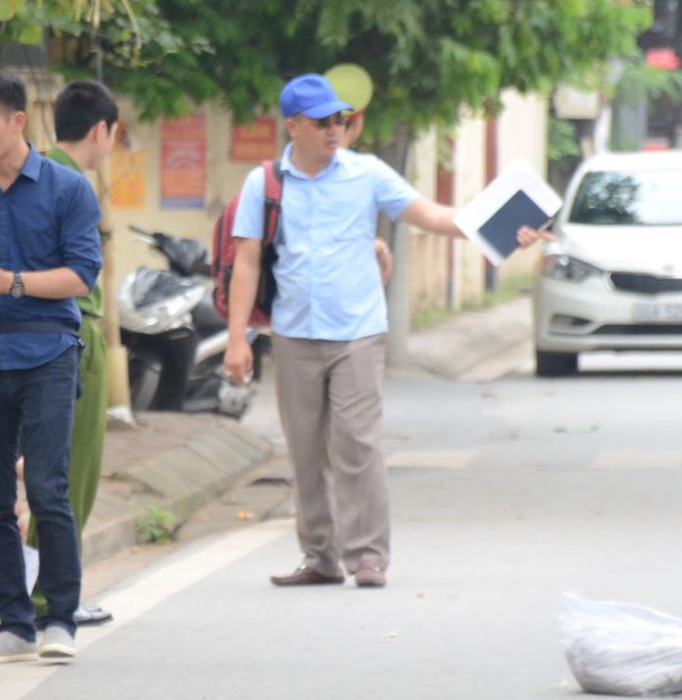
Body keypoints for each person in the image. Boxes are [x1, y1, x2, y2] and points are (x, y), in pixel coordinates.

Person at [221, 73, 543, 589]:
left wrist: (509, 229)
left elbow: (438, 217)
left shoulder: (367, 174)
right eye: (323, 122)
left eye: (340, 121)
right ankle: (321, 557)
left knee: (356, 443)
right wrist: (238, 339)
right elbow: (247, 261)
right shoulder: (265, 182)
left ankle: (368, 555)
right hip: (294, 334)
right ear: (294, 126)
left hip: (357, 333)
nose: (335, 130)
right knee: (304, 449)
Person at [0, 71, 103, 665]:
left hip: (49, 351)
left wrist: (12, 281)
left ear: (16, 121)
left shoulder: (67, 188)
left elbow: (81, 276)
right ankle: (12, 624)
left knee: (47, 488)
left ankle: (59, 615)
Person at [41, 81, 120, 627]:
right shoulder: (74, 186)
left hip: (24, 339)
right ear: (101, 130)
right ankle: (53, 596)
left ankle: (38, 590)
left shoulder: (27, 174)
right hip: (73, 330)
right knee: (73, 473)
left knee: (45, 472)